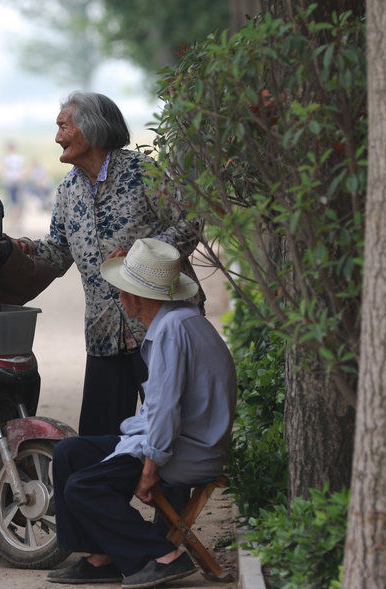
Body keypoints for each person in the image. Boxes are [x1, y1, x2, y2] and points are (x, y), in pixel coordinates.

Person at [46, 238, 236, 588]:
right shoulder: (178, 322)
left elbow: (166, 411)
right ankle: (102, 557)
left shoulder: (171, 332)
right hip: (179, 440)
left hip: (187, 450)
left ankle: (162, 556)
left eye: (123, 289)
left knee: (83, 488)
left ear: (134, 297)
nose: (119, 296)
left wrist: (150, 468)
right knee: (69, 452)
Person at [14, 92, 204, 436]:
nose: (57, 137)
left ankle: (168, 491)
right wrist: (17, 251)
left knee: (172, 435)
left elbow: (190, 222)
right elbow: (57, 253)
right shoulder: (68, 190)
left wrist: (143, 254)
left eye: (63, 126)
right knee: (97, 442)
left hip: (161, 326)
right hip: (105, 333)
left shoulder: (142, 171)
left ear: (91, 129)